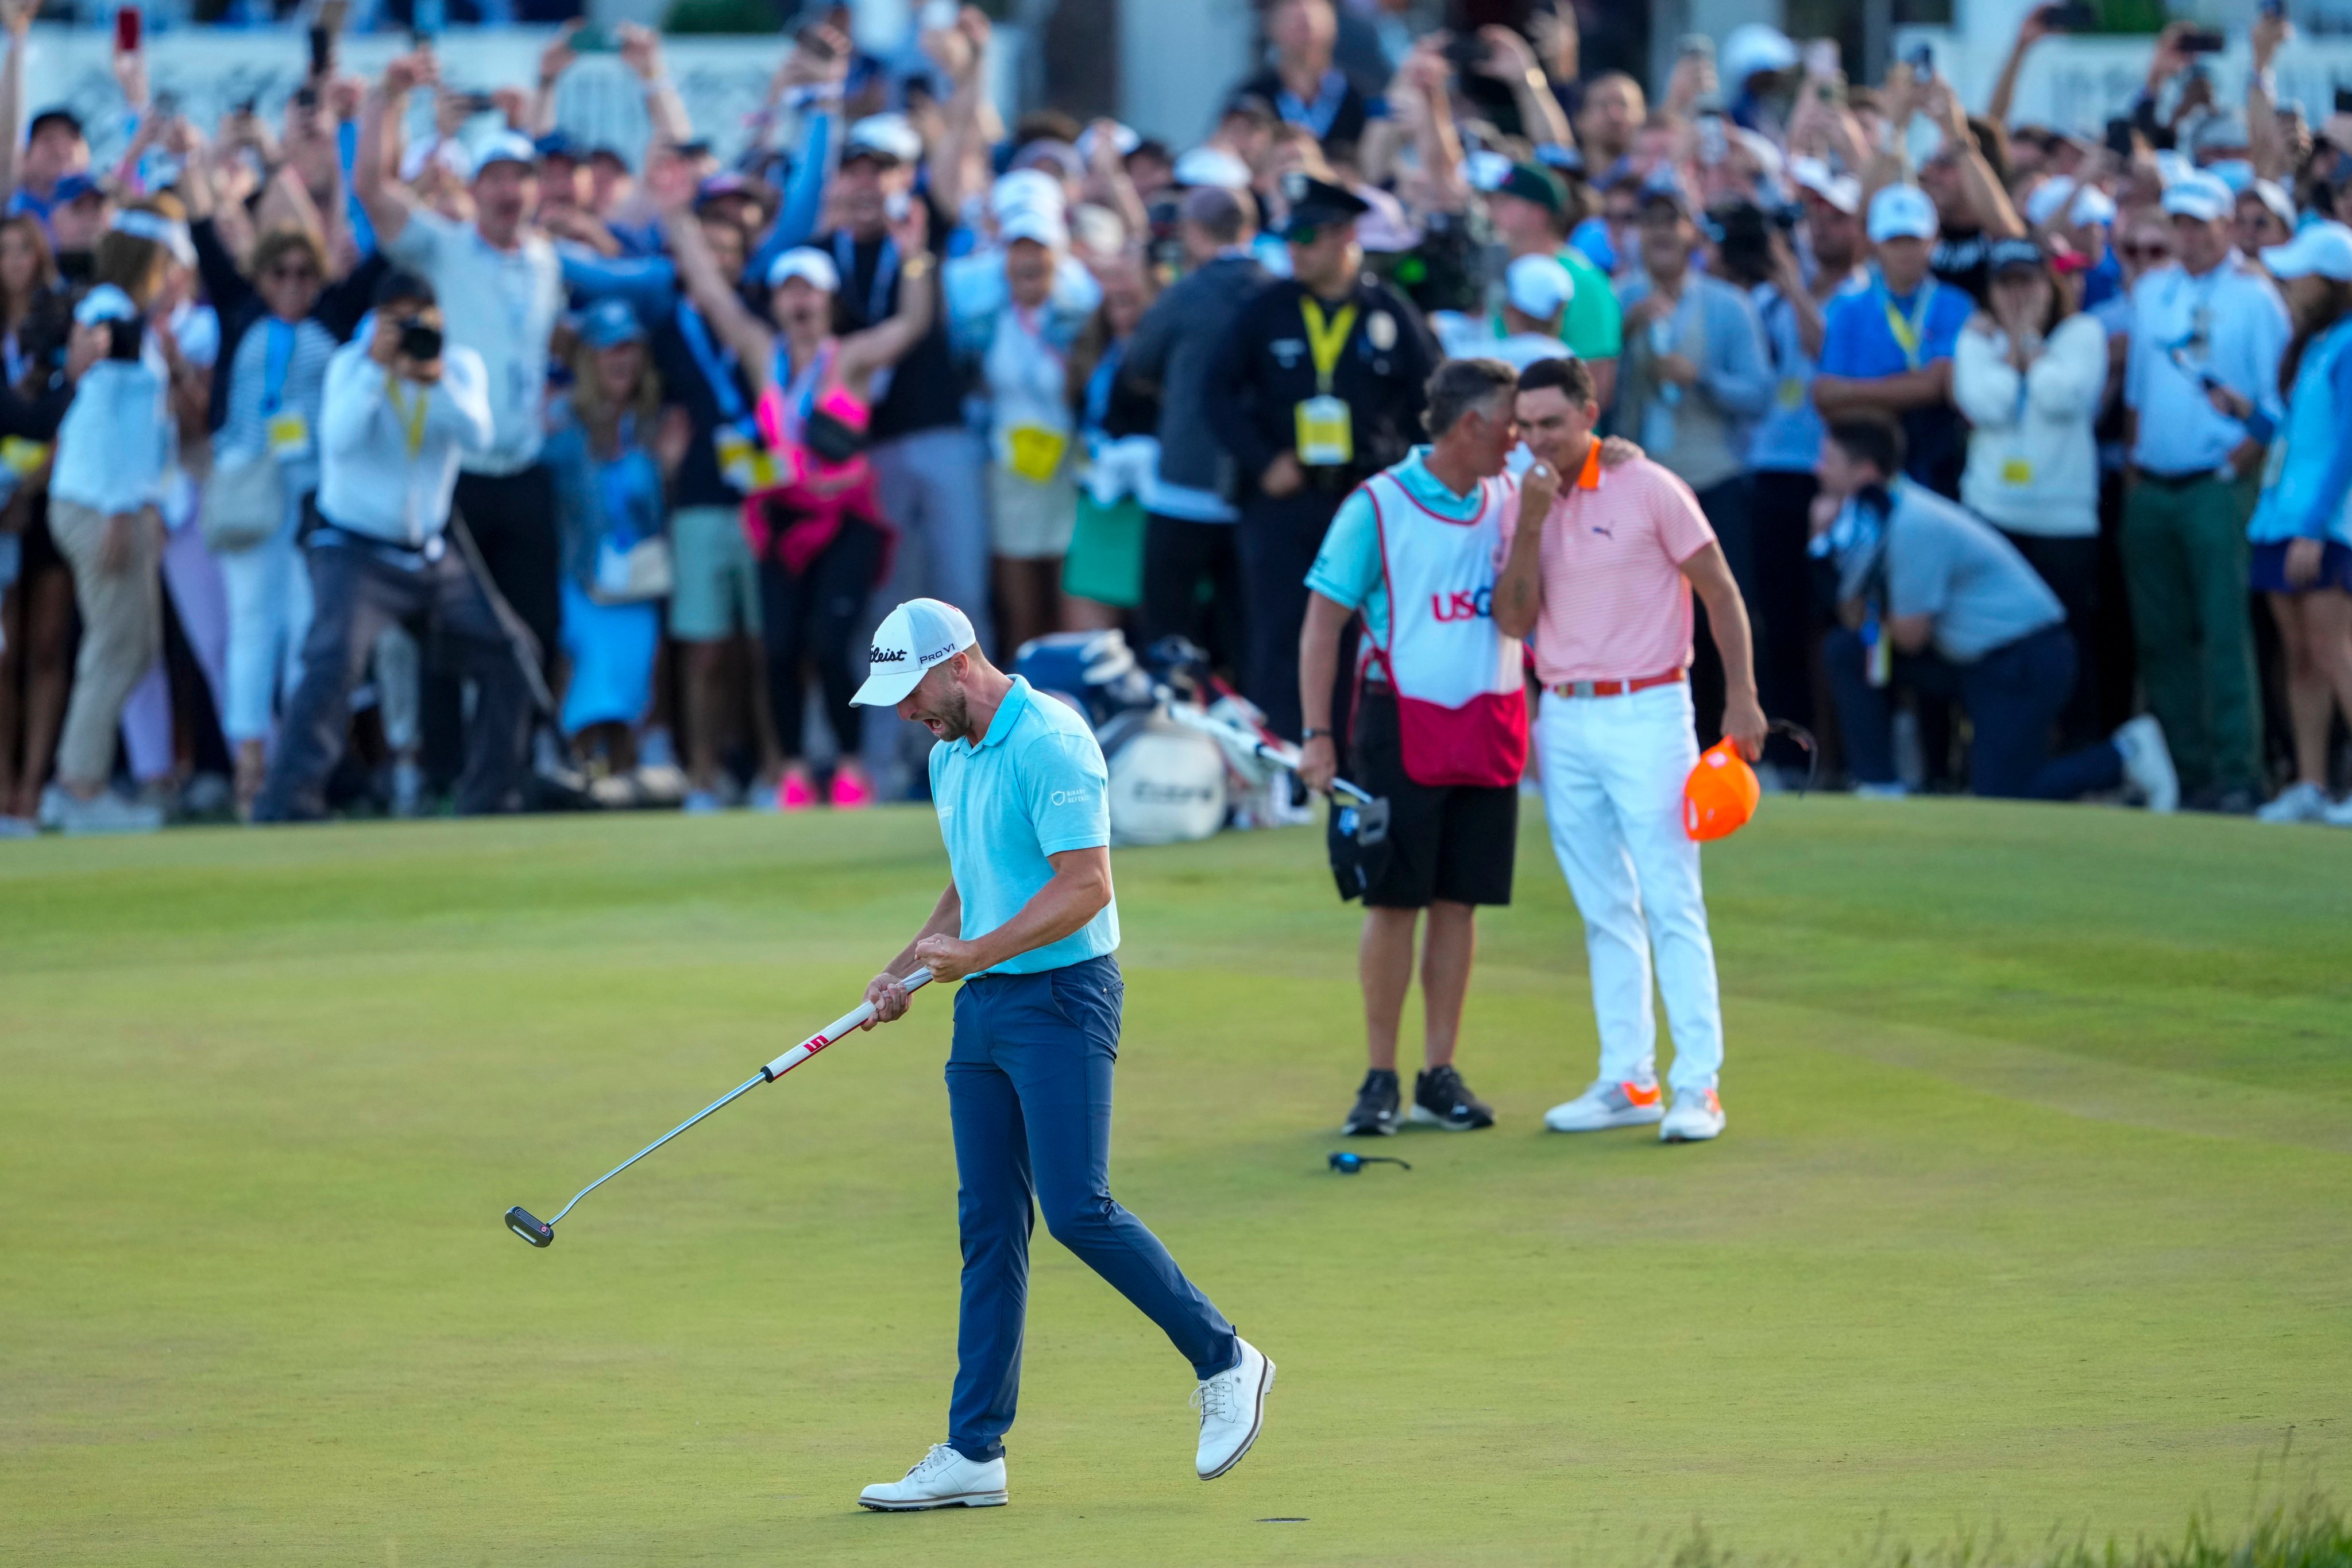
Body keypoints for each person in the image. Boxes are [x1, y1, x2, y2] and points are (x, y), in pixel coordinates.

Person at [848, 596, 1271, 1510]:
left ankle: (1225, 1357)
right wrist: (902, 970)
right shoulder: (948, 754)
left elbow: (1084, 886)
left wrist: (973, 956)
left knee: (1077, 1207)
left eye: (909, 689)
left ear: (959, 662)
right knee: (990, 1224)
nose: (901, 713)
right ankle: (973, 1451)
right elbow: (974, 881)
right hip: (985, 1012)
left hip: (1064, 998)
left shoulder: (1052, 739)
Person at [1495, 355, 1761, 1144]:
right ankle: (1627, 1078)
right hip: (1566, 717)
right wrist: (1536, 520)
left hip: (1649, 705)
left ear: (1588, 412)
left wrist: (1740, 696)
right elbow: (1513, 621)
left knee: (1670, 897)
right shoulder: (1523, 501)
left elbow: (1718, 588)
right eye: (1526, 426)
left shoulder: (1649, 486)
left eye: (1551, 422)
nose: (1537, 439)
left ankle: (1697, 1084)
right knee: (1601, 904)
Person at [658, 153, 934, 811]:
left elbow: (913, 324)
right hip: (778, 522)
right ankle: (788, 769)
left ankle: (848, 766)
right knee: (776, 645)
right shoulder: (762, 352)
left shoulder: (853, 357)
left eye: (810, 290)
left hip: (844, 521)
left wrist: (917, 259)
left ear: (828, 298)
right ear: (778, 299)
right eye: (789, 290)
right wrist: (675, 214)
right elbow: (713, 292)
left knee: (829, 643)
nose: (800, 300)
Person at [1296, 359, 1527, 1138]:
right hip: (1397, 724)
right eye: (1508, 423)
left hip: (1487, 720)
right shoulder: (1377, 505)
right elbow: (1322, 623)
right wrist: (1318, 734)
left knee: (1458, 899)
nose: (1518, 438)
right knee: (1394, 900)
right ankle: (1379, 1075)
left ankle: (1437, 1071)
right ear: (1469, 425)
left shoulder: (1508, 495)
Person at [253, 271, 528, 823]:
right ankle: (288, 802)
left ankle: (490, 798)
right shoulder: (350, 367)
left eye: (419, 319)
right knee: (332, 659)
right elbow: (340, 438)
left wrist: (433, 378)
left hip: (428, 552)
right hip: (354, 550)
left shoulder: (459, 367)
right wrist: (379, 373)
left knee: (511, 656)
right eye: (397, 319)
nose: (409, 331)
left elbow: (480, 435)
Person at [356, 53, 569, 733]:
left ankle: (519, 768)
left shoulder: (545, 259)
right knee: (450, 635)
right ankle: (449, 774)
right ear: (475, 188)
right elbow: (371, 187)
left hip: (526, 470)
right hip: (461, 476)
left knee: (535, 627)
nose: (511, 191)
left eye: (521, 178)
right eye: (497, 177)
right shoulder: (443, 248)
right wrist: (386, 101)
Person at [1814, 415, 2175, 806]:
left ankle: (2125, 755)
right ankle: (1878, 785)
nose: (1818, 470)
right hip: (1973, 659)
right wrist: (1822, 541)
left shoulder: (1911, 523)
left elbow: (1908, 635)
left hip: (2026, 660)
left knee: (2002, 800)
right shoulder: (1871, 522)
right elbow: (1853, 618)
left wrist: (1870, 611)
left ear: (1865, 473)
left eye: (1829, 461)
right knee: (1846, 650)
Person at [1208, 173, 1439, 741]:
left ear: (1344, 236)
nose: (1296, 250)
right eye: (1291, 238)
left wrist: (1400, 477)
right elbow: (1216, 392)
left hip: (1364, 498)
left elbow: (1432, 403)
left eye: (1308, 237)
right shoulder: (1267, 309)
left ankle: (1360, 756)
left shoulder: (1389, 311)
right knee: (1279, 630)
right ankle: (1285, 763)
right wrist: (1263, 462)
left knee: (1367, 633)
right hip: (1285, 500)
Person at [2121, 172, 2289, 813]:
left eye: (2200, 224)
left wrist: (2237, 464)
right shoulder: (2152, 292)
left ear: (2226, 226)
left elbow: (2277, 400)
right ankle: (2188, 771)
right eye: (2180, 224)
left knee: (2224, 632)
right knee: (2161, 636)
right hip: (2155, 484)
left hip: (2217, 484)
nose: (2187, 236)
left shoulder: (2256, 298)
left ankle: (2237, 772)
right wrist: (2136, 472)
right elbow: (2138, 393)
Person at [43, 206, 200, 835]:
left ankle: (81, 781)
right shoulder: (110, 309)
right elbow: (106, 416)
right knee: (115, 648)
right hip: (102, 505)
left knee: (131, 649)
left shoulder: (131, 318)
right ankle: (79, 789)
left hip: (125, 504)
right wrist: (117, 508)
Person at [190, 225, 345, 817]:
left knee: (306, 630)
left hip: (307, 500)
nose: (292, 285)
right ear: (261, 278)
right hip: (252, 495)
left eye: (305, 273)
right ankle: (248, 765)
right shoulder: (244, 328)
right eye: (280, 273)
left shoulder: (326, 341)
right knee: (251, 627)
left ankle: (299, 771)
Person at [1614, 177, 1773, 740]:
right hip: (1639, 485)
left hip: (1713, 479)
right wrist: (1621, 336)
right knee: (1643, 618)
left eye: (1671, 220)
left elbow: (1759, 394)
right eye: (1649, 221)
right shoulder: (1617, 300)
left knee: (1725, 612)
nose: (1660, 232)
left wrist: (1700, 379)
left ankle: (1732, 734)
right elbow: (1594, 395)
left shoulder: (1728, 306)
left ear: (1694, 234)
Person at [1953, 237, 2108, 747]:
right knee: (1996, 643)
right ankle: (2005, 750)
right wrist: (2016, 352)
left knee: (2071, 643)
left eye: (2028, 281)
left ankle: (2081, 749)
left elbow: (2061, 397)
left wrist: (2026, 346)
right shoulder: (1973, 340)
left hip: (2063, 522)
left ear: (2049, 286)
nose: (2017, 294)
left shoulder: (2083, 333)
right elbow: (1987, 404)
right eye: (2006, 283)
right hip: (1993, 514)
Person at [1745, 163, 1866, 770]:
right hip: (1770, 467)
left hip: (1831, 475)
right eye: (1815, 215)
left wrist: (1793, 285)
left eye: (1837, 216)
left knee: (1832, 620)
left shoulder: (1858, 298)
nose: (1822, 227)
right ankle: (1790, 753)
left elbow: (1826, 352)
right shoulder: (1769, 298)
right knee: (1778, 620)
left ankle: (1842, 754)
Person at [2234, 223, 2352, 825]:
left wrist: (2313, 525)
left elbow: (2348, 447)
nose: (2289, 283)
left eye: (2300, 273)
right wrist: (2248, 418)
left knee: (2337, 652)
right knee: (2301, 657)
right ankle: (2310, 785)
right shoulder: (2317, 344)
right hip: (2281, 520)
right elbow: (2295, 438)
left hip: (2324, 527)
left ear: (2332, 281)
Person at [1126, 186, 1266, 672]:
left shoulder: (1186, 293)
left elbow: (1139, 361)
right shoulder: (1275, 291)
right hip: (1254, 485)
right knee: (1245, 634)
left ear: (1194, 233)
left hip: (1183, 485)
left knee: (1168, 632)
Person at [544, 300, 683, 774]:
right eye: (609, 350)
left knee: (635, 679)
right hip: (582, 578)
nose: (621, 360)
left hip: (637, 582)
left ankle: (624, 777)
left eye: (630, 349)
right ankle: (572, 768)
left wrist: (666, 468)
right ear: (589, 359)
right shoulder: (561, 422)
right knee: (585, 673)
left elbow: (656, 509)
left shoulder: (652, 424)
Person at [1814, 184, 1975, 499]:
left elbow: (1936, 386)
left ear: (1934, 240)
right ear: (1874, 244)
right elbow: (1824, 395)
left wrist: (1855, 395)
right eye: (1893, 240)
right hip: (1866, 461)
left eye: (1913, 240)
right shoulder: (1848, 306)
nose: (1904, 251)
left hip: (1936, 462)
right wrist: (1909, 389)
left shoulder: (1956, 304)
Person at [1480, 161, 1621, 406]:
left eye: (1504, 202)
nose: (1491, 211)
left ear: (1538, 213)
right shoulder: (1497, 273)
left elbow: (1598, 386)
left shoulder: (1585, 281)